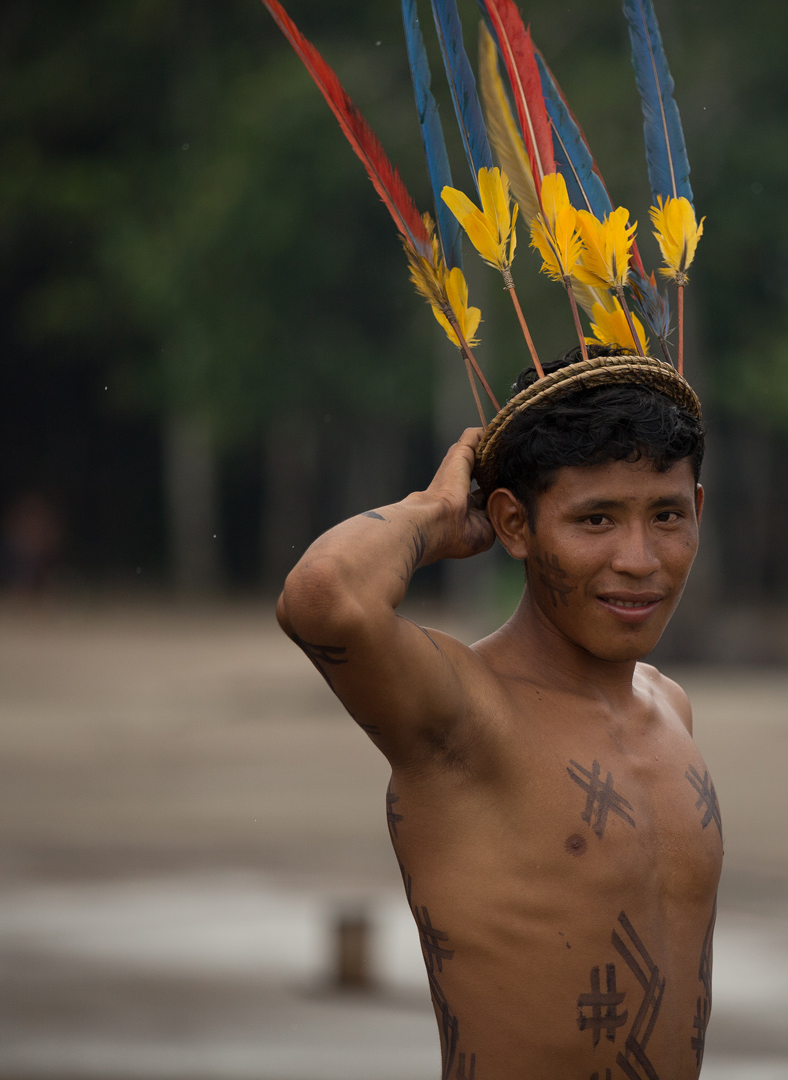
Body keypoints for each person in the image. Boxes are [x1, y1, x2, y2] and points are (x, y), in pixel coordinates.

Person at [276, 345, 721, 1079]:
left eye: (666, 515)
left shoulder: (670, 707)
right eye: (596, 519)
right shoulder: (464, 713)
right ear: (514, 523)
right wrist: (436, 514)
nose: (640, 559)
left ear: (697, 510)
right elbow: (324, 594)